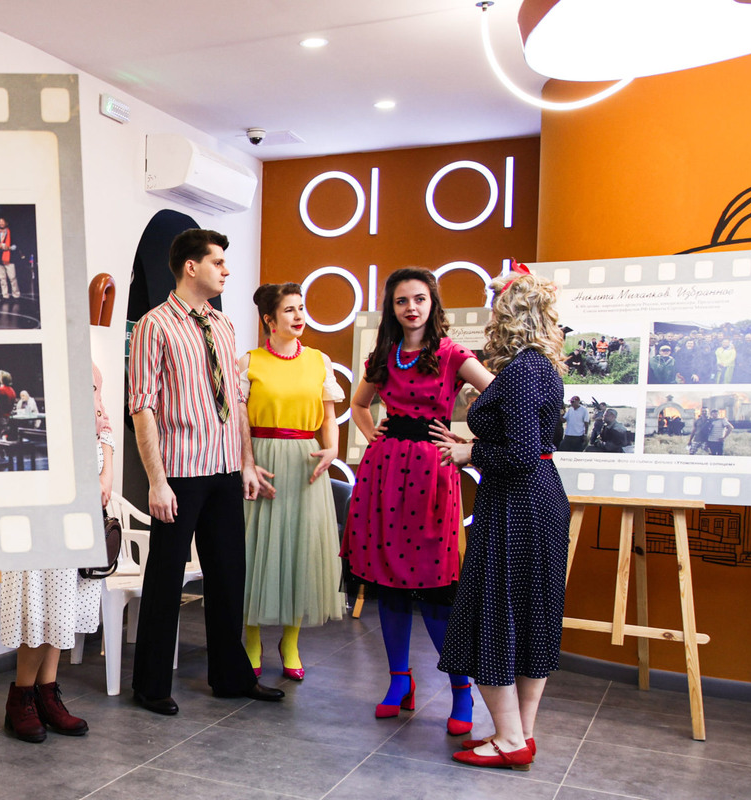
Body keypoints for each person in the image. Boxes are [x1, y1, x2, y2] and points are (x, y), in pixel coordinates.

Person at [127, 228, 283, 715]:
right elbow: (142, 406)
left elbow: (236, 399)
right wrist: (157, 482)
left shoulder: (224, 324)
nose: (226, 270)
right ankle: (151, 686)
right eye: (218, 262)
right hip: (180, 471)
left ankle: (232, 677)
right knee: (165, 579)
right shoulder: (154, 325)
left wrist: (246, 463)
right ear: (190, 266)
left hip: (224, 469)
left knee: (228, 576)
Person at [340, 267, 493, 734]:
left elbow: (498, 395)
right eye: (402, 300)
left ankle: (461, 690)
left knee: (436, 588)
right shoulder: (384, 355)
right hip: (384, 474)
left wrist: (470, 445)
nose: (411, 307)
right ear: (392, 307)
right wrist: (372, 433)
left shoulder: (450, 353)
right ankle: (398, 681)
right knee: (388, 582)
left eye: (420, 299)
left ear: (433, 303)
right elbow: (359, 404)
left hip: (432, 475)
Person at [433, 270, 570, 772]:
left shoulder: (521, 371)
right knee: (530, 617)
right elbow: (536, 443)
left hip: (517, 505)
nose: (491, 311)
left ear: (509, 314)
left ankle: (510, 738)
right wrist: (478, 444)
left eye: (496, 302)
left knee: (492, 614)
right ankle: (519, 735)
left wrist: (469, 452)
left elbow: (520, 454)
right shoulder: (542, 367)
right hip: (538, 501)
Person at [237, 283, 345, 681]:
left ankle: (291, 642)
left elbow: (329, 416)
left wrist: (332, 450)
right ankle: (251, 642)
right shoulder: (250, 361)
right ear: (269, 319)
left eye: (301, 308)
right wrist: (247, 462)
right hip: (261, 460)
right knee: (253, 552)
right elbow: (238, 421)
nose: (299, 316)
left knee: (301, 551)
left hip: (306, 463)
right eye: (289, 310)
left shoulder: (319, 360)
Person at [0, 363, 114, 743]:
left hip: (81, 511)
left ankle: (46, 695)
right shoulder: (47, 364)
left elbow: (105, 427)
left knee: (61, 606)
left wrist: (105, 476)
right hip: (46, 507)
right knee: (41, 603)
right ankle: (21, 698)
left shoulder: (89, 367)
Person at [0, 216, 21, 299]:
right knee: (2, 278)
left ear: (6, 223)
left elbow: (16, 246)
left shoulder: (12, 233)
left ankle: (16, 294)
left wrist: (9, 248)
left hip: (9, 258)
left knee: (12, 278)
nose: (1, 223)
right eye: (0, 222)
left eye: (2, 221)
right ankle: (5, 295)